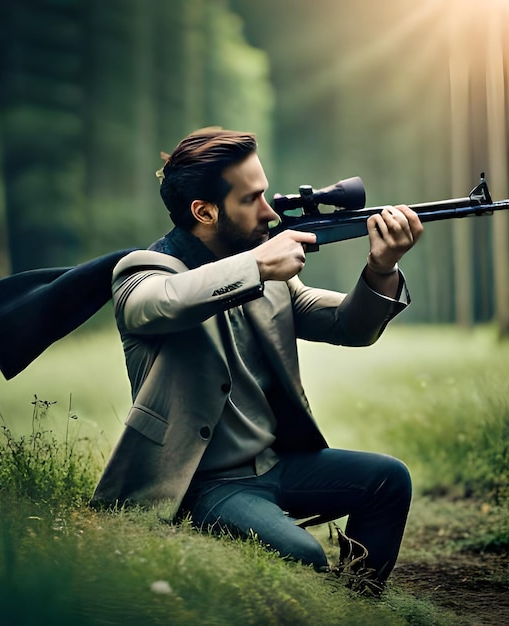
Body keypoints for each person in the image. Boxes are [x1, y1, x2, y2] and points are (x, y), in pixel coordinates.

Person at [90, 127, 423, 592]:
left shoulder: (268, 274)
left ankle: (357, 604)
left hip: (274, 464)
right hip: (202, 481)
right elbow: (162, 302)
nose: (270, 211)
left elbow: (349, 327)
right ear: (204, 211)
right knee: (303, 554)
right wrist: (258, 267)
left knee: (388, 479)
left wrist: (381, 268)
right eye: (252, 200)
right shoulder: (144, 270)